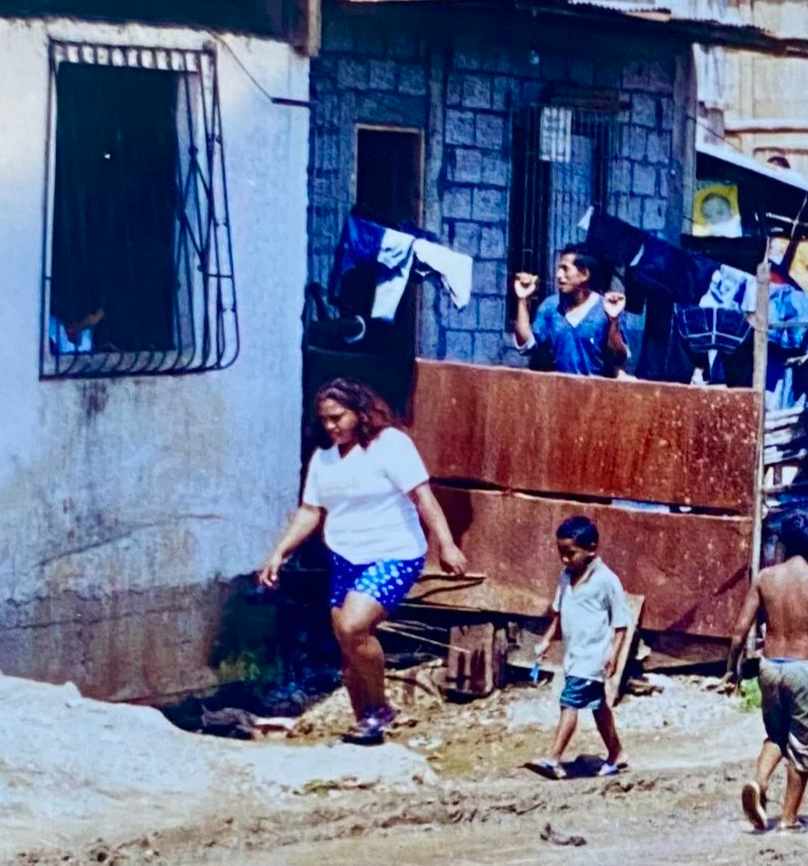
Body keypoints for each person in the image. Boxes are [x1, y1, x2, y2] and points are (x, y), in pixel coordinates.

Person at [261, 379, 468, 746]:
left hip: (395, 552)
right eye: (324, 420)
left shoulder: (390, 445)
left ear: (358, 412)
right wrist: (280, 552)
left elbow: (423, 497)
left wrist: (447, 545)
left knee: (355, 625)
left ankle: (381, 707)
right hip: (345, 556)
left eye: (337, 417)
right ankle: (366, 728)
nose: (330, 426)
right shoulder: (323, 459)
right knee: (347, 643)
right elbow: (310, 512)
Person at [732, 509, 808, 834]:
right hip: (804, 669)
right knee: (803, 744)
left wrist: (731, 671)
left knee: (776, 735)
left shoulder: (765, 578)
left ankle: (758, 783)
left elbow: (739, 630)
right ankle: (788, 819)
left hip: (770, 667)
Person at [530, 516, 633, 779]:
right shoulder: (565, 576)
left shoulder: (607, 580)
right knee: (599, 707)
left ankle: (553, 758)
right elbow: (559, 613)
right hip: (574, 656)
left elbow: (621, 623)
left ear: (591, 549)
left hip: (593, 657)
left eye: (570, 553)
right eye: (560, 553)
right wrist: (545, 641)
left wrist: (614, 655)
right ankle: (617, 753)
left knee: (570, 702)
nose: (564, 559)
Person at [510, 247, 629, 377]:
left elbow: (618, 357)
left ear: (584, 274)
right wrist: (522, 299)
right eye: (559, 268)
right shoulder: (550, 307)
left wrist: (613, 321)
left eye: (565, 269)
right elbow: (527, 345)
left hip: (597, 393)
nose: (558, 275)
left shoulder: (606, 308)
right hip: (559, 391)